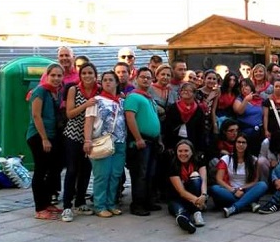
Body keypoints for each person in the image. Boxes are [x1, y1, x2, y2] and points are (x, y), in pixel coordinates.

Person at [84, 71, 127, 218]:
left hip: (120, 141)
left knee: (115, 175)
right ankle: (99, 205)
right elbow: (89, 121)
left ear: (116, 83)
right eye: (105, 80)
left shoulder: (122, 101)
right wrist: (87, 140)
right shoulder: (96, 100)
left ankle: (111, 203)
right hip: (101, 142)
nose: (107, 82)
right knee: (102, 175)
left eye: (111, 80)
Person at [61, 63, 98, 221]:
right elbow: (70, 113)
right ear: (80, 75)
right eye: (84, 73)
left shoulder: (99, 90)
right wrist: (86, 104)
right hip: (73, 135)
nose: (87, 76)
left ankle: (80, 201)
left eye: (90, 73)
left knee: (86, 170)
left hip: (91, 135)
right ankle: (67, 206)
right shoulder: (73, 89)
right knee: (72, 170)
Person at [27, 64, 64, 220]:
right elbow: (36, 116)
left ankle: (47, 202)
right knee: (41, 171)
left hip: (52, 136)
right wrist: (44, 138)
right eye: (53, 75)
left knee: (53, 170)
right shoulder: (40, 91)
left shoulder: (55, 93)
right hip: (39, 136)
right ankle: (40, 208)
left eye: (59, 75)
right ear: (47, 76)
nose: (56, 78)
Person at [125, 67, 163, 217]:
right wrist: (138, 138)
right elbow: (130, 117)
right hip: (141, 141)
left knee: (150, 173)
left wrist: (159, 139)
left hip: (152, 141)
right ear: (136, 79)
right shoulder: (133, 97)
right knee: (140, 174)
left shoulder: (148, 98)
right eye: (143, 77)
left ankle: (147, 201)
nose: (146, 80)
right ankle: (137, 204)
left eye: (148, 77)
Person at [210, 133, 268, 218]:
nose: (241, 145)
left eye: (243, 142)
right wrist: (234, 190)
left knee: (263, 185)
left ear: (247, 144)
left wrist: (241, 189)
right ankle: (249, 202)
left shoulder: (254, 160)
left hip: (246, 189)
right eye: (238, 142)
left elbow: (255, 181)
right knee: (214, 188)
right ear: (235, 143)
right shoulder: (226, 158)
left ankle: (234, 208)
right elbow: (219, 179)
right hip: (230, 191)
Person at [166, 139, 208, 233]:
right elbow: (181, 192)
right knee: (180, 212)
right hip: (177, 198)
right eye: (180, 151)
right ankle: (186, 223)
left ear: (192, 152)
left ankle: (196, 212)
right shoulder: (173, 165)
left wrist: (204, 195)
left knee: (195, 176)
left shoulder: (199, 161)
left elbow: (204, 181)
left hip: (195, 194)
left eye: (186, 151)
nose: (183, 154)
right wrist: (198, 202)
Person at [163, 82, 206, 153]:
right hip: (174, 140)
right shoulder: (173, 107)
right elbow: (167, 127)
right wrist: (168, 145)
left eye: (189, 90)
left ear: (194, 94)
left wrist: (200, 148)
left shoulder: (198, 110)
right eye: (183, 90)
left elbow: (201, 130)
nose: (185, 92)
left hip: (192, 140)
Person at [233, 78, 264, 155]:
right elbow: (239, 111)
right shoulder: (239, 99)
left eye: (246, 85)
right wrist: (246, 100)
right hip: (245, 133)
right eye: (242, 86)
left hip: (259, 132)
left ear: (251, 86)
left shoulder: (259, 99)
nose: (244, 88)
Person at [195, 69, 220, 157]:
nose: (211, 81)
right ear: (205, 79)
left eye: (214, 79)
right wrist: (209, 98)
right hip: (199, 121)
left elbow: (213, 109)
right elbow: (198, 109)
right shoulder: (197, 92)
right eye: (209, 78)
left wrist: (215, 125)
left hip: (209, 121)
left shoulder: (216, 92)